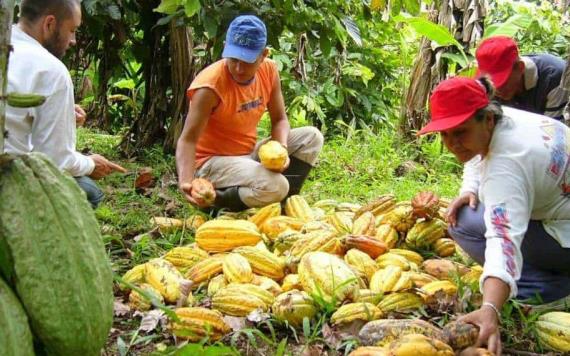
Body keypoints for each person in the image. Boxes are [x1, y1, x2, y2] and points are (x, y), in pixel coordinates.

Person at [418, 76, 570, 355]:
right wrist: (469, 188)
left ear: (486, 119)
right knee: (469, 210)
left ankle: (548, 289)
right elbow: (476, 156)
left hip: (564, 238)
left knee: (464, 223)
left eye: (459, 132)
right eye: (445, 134)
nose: (452, 144)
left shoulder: (507, 165)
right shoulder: (504, 117)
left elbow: (503, 239)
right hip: (560, 212)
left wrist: (489, 308)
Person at [176, 15, 324, 212]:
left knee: (312, 137)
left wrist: (280, 148)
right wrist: (186, 181)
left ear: (264, 55)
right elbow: (187, 140)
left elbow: (280, 119)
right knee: (277, 185)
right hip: (211, 163)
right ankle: (216, 201)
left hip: (247, 153)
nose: (238, 68)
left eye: (246, 61)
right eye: (234, 59)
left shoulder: (269, 70)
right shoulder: (209, 87)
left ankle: (282, 204)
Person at [5, 0, 126, 208]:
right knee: (89, 190)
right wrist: (90, 164)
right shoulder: (51, 70)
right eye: (72, 30)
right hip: (8, 181)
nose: (74, 40)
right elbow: (55, 161)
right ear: (49, 24)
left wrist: (62, 112)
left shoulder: (5, 42)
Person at [476, 35, 567, 121]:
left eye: (503, 83)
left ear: (520, 67)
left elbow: (553, 131)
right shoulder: (489, 88)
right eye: (493, 84)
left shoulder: (554, 78)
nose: (498, 90)